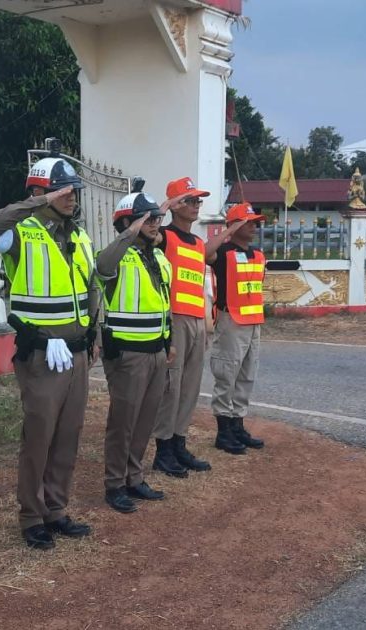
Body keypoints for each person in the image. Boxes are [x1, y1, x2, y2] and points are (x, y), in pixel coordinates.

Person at [0, 157, 96, 551]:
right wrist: (35, 203)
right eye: (63, 191)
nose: (72, 198)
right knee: (39, 435)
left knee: (68, 434)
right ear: (39, 192)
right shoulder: (20, 233)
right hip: (42, 353)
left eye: (74, 191)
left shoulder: (78, 235)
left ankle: (56, 509)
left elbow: (91, 287)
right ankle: (31, 514)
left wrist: (93, 331)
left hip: (76, 352)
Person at [150, 177, 244, 477]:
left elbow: (208, 253)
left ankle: (179, 443)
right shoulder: (164, 235)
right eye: (190, 200)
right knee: (172, 386)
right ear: (176, 205)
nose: (196, 205)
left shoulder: (195, 242)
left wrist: (231, 230)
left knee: (190, 387)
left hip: (195, 320)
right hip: (174, 318)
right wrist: (162, 208)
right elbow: (144, 232)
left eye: (197, 200)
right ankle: (163, 449)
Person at [94, 188, 175, 512]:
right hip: (128, 353)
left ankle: (134, 476)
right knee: (123, 421)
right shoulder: (116, 256)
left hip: (156, 350)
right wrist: (130, 232)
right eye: (149, 218)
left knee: (145, 419)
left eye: (158, 218)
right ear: (129, 222)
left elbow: (164, 303)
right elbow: (102, 265)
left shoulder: (158, 256)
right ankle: (115, 484)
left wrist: (169, 342)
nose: (156, 223)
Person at [208, 203, 268, 455]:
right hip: (231, 320)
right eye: (248, 222)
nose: (254, 226)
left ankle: (237, 425)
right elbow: (204, 253)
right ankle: (223, 432)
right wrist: (229, 231)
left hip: (253, 322)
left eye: (256, 222)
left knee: (246, 376)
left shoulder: (258, 255)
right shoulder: (223, 252)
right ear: (235, 225)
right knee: (227, 375)